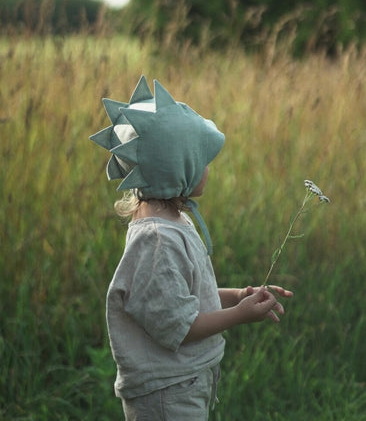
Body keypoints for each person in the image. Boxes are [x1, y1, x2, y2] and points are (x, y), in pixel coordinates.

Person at [90, 76, 293, 421]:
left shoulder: (171, 223)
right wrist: (240, 315)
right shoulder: (157, 241)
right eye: (203, 159)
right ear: (177, 168)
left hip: (181, 384)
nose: (209, 168)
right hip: (166, 395)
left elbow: (176, 300)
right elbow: (179, 327)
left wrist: (239, 294)